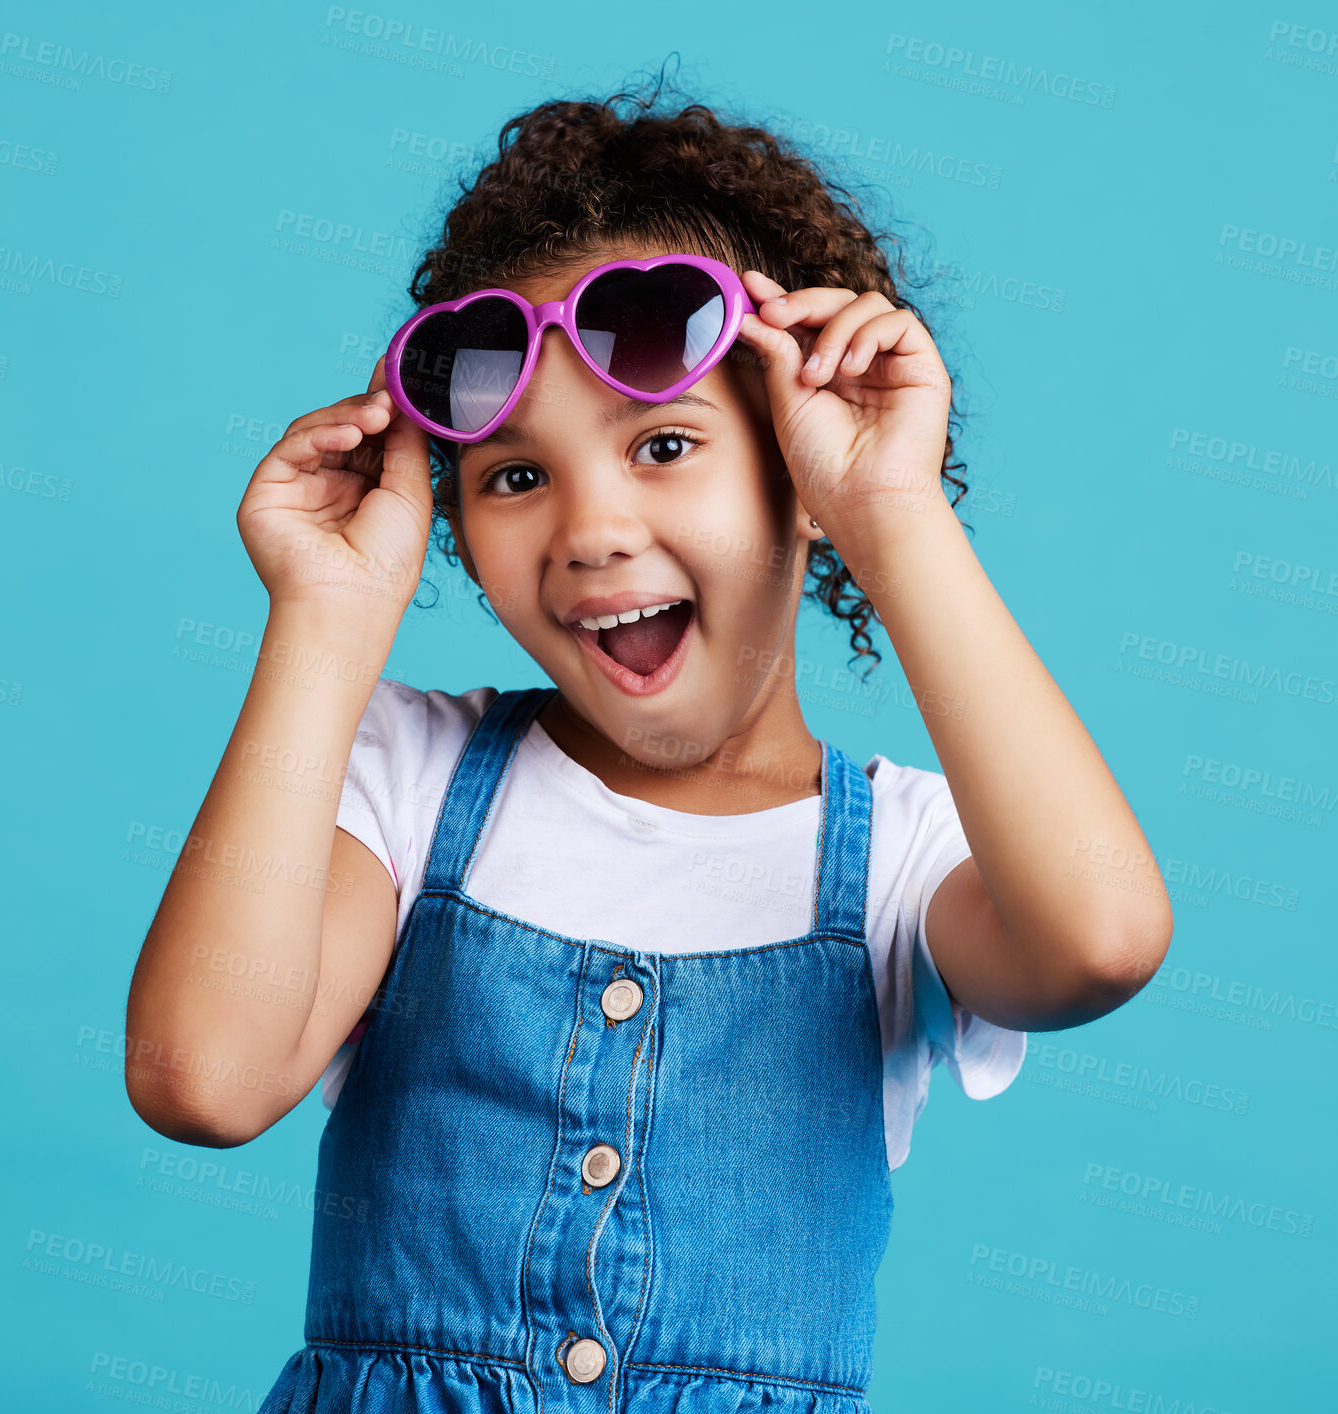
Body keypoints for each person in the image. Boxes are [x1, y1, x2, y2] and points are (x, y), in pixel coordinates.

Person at [126, 76, 1173, 1414]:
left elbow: (1096, 939)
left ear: (802, 479)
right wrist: (325, 624)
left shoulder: (900, 859)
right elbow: (198, 1076)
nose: (588, 526)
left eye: (664, 443)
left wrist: (891, 511)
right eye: (513, 474)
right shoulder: (402, 774)